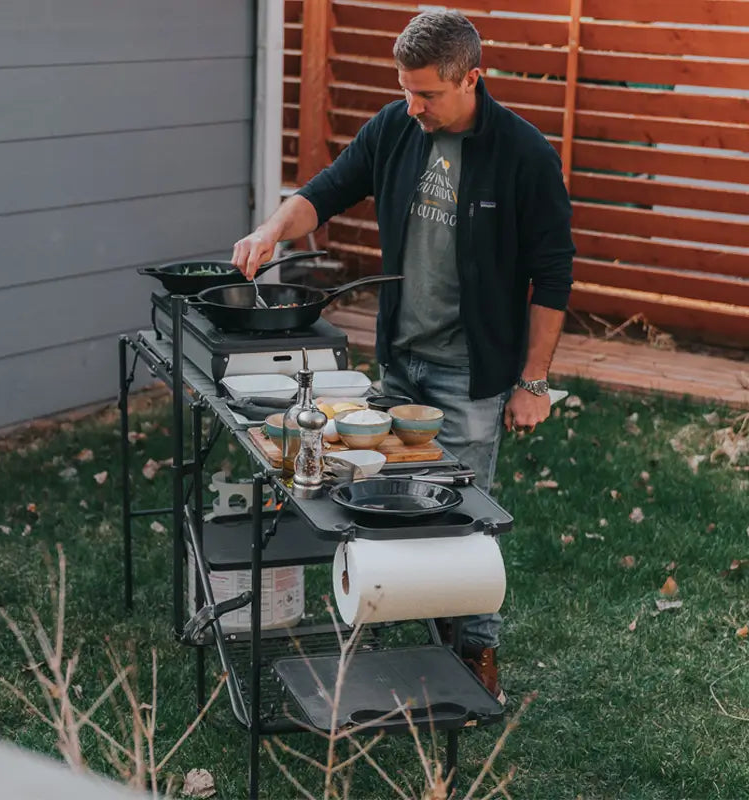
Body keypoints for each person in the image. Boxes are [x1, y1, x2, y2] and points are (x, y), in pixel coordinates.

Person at [231, 10, 574, 701]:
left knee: (463, 521)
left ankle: (474, 655)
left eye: (427, 94)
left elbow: (554, 273)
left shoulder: (524, 154)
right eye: (406, 89)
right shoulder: (395, 129)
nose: (412, 105)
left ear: (472, 77)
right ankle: (396, 652)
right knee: (385, 509)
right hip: (401, 364)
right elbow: (324, 192)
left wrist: (533, 381)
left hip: (469, 372)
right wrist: (271, 229)